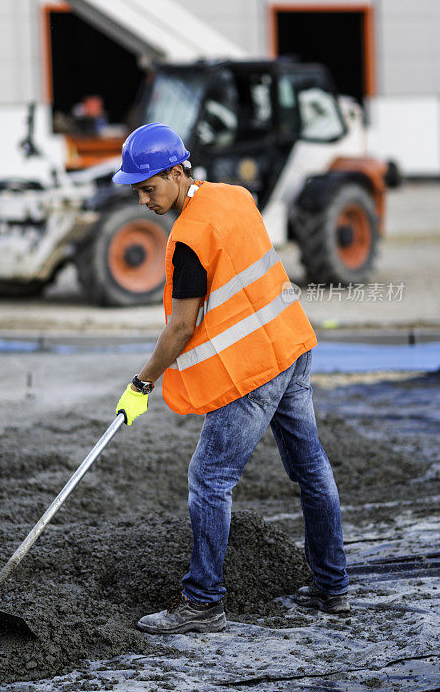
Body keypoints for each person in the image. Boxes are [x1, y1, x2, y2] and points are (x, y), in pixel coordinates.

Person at [113, 122, 349, 635]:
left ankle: (202, 604)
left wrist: (141, 384)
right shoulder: (237, 197)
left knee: (209, 480)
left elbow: (180, 327)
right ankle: (333, 590)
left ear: (177, 173)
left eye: (149, 187)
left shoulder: (187, 239)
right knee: (312, 471)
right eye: (136, 190)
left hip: (252, 375)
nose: (143, 200)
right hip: (292, 347)